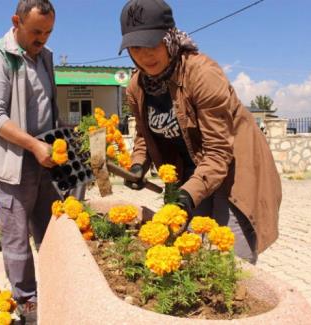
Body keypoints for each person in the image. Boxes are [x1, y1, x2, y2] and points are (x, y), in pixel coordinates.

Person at [119, 0, 282, 264]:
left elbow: (219, 152)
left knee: (229, 258)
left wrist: (186, 195)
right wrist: (137, 166)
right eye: (136, 47)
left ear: (170, 37)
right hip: (195, 171)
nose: (145, 55)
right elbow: (144, 136)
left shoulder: (202, 74)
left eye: (153, 44)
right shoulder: (137, 86)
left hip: (234, 169)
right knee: (190, 249)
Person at [0, 0, 84, 319]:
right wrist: (33, 145)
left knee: (52, 232)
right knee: (17, 242)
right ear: (16, 21)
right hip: (12, 164)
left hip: (45, 160)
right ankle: (29, 308)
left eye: (48, 32)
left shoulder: (44, 58)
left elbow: (49, 108)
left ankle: (59, 296)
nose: (43, 38)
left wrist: (64, 140)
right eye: (36, 31)